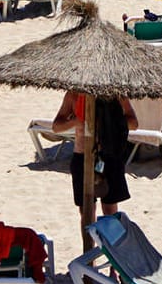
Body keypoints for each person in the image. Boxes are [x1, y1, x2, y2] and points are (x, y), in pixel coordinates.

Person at [51, 89, 137, 220]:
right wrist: (75, 122)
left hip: (109, 154)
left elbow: (134, 124)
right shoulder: (74, 95)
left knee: (110, 209)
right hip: (82, 154)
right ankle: (88, 241)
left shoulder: (116, 94)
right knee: (86, 210)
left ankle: (109, 240)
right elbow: (56, 127)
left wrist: (112, 121)